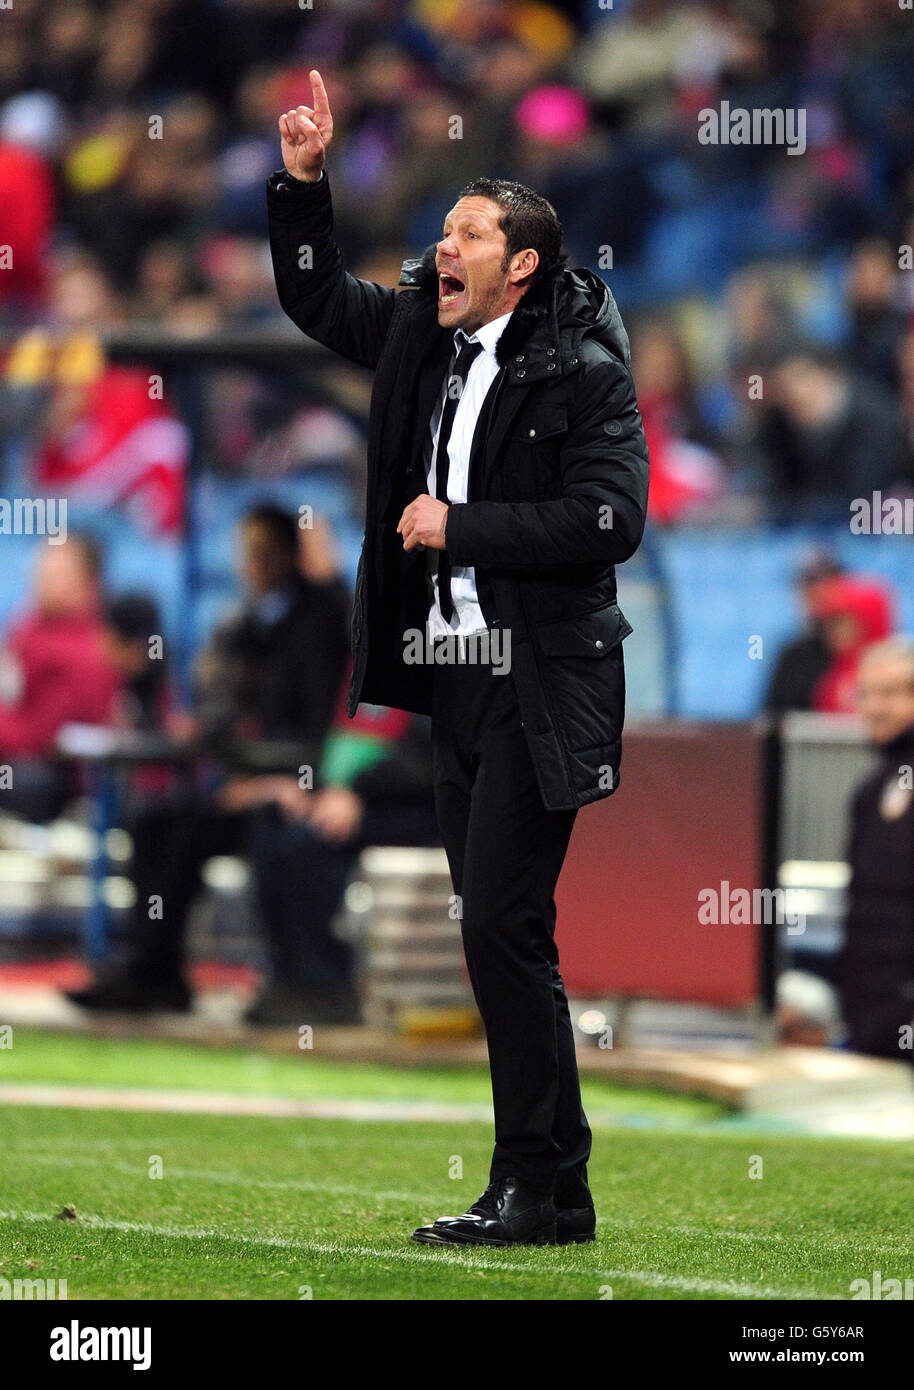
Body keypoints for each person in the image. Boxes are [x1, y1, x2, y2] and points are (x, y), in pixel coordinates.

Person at [267, 72, 649, 1247]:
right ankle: (546, 1189)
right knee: (496, 928)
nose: (441, 249)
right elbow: (318, 299)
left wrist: (455, 524)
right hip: (454, 669)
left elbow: (609, 522)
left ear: (518, 263)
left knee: (500, 926)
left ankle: (537, 1185)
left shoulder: (582, 373)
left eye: (465, 235)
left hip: (543, 677)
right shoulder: (423, 337)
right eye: (439, 233)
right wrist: (302, 184)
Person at [66, 503, 350, 1013]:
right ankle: (153, 976)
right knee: (159, 825)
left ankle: (304, 985)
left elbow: (327, 724)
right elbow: (220, 707)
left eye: (260, 553)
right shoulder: (247, 627)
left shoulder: (323, 620)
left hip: (306, 788)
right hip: (248, 786)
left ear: (287, 555)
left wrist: (282, 783)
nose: (249, 565)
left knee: (280, 837)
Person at [0, 534, 120, 823]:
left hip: (56, 776)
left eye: (58, 571)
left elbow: (45, 736)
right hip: (14, 754)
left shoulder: (95, 647)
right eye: (43, 567)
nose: (43, 577)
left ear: (89, 584)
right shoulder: (28, 628)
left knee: (26, 780)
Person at [839, 638, 914, 1063]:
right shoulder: (871, 786)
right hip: (871, 1004)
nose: (874, 708)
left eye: (890, 694)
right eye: (866, 694)